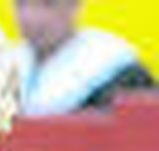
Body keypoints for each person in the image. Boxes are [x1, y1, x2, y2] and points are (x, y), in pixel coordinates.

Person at [13, 0, 154, 115]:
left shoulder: (117, 72)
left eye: (48, 4)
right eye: (21, 3)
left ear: (74, 5)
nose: (31, 17)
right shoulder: (6, 66)